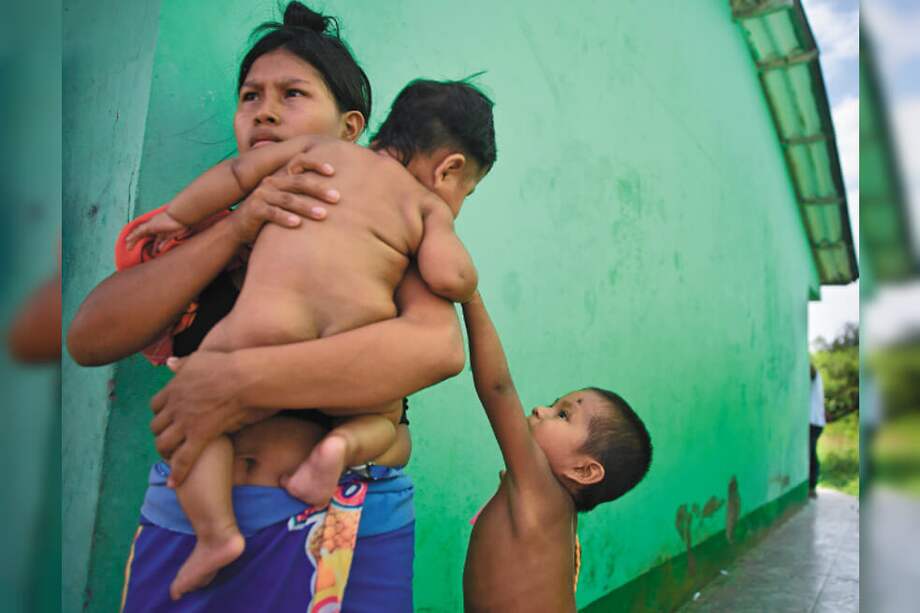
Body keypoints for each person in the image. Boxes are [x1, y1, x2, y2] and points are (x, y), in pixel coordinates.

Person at [66, 3, 494, 611]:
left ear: (350, 129)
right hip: (190, 522)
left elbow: (439, 348)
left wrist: (235, 380)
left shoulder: (385, 234)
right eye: (249, 96)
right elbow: (88, 338)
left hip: (342, 516)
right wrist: (237, 227)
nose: (264, 111)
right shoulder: (202, 229)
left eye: (292, 94)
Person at [460, 291, 652, 612]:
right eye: (553, 404)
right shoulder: (558, 512)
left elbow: (497, 389)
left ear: (584, 470)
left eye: (562, 415)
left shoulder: (539, 488)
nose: (540, 409)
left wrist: (470, 297)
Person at [809, 362, 826, 498]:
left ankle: (812, 486)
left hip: (814, 422)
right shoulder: (812, 380)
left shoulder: (815, 377)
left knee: (810, 453)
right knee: (810, 452)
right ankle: (811, 485)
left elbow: (811, 368)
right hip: (814, 422)